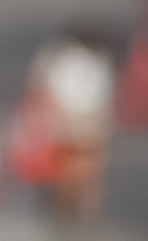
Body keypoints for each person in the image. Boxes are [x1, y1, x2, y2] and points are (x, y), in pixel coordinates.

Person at [26, 29, 116, 226]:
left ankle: (82, 211)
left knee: (85, 171)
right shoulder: (61, 57)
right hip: (72, 122)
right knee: (71, 171)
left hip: (84, 122)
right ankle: (68, 209)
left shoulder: (93, 59)